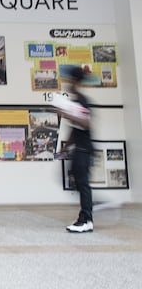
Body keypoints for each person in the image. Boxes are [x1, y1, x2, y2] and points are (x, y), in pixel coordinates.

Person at [57, 66, 94, 233]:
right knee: (75, 180)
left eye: (69, 80)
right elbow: (76, 128)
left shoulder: (82, 100)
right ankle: (90, 208)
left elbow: (86, 124)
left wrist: (67, 114)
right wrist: (66, 146)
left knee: (82, 183)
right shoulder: (75, 101)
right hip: (78, 149)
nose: (66, 83)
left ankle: (86, 219)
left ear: (75, 81)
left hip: (84, 150)